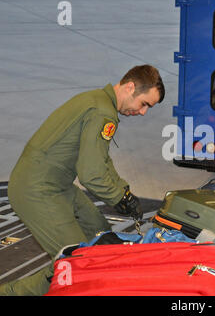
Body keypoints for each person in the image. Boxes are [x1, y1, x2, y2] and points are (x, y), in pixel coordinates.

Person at [0, 64, 165, 295]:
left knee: (101, 237)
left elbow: (101, 159)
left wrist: (124, 192)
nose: (143, 112)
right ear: (131, 87)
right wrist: (120, 198)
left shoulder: (97, 101)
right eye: (144, 104)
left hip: (56, 184)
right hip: (38, 189)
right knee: (76, 262)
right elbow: (91, 173)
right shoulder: (103, 112)